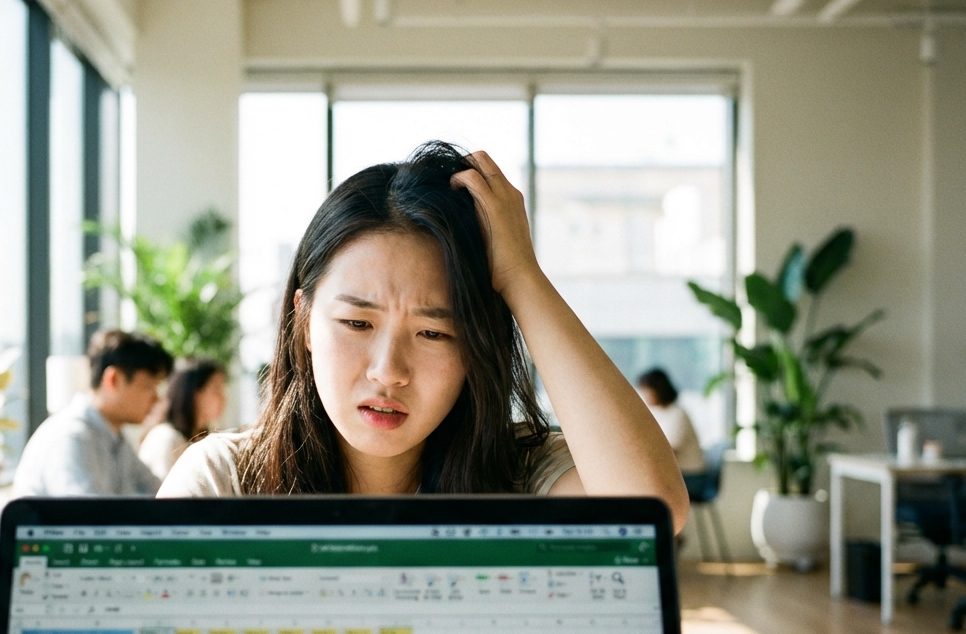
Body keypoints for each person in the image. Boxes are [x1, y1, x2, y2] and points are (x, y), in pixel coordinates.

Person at [158, 142, 687, 529]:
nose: (388, 371)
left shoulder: (519, 474)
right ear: (304, 323)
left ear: (475, 347)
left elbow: (653, 510)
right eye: (357, 323)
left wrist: (521, 277)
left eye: (433, 332)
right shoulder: (228, 481)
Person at [13, 330, 173, 497]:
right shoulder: (71, 437)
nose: (157, 398)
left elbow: (160, 494)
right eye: (149, 387)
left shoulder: (115, 438)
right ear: (113, 379)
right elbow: (86, 513)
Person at [139, 358, 228, 480]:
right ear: (193, 393)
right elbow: (161, 490)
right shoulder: (166, 438)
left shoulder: (203, 439)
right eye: (216, 389)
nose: (223, 398)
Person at [635, 367, 707, 495]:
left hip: (690, 476)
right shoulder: (658, 413)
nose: (643, 395)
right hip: (678, 475)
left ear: (658, 390)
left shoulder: (678, 414)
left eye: (646, 390)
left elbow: (668, 451)